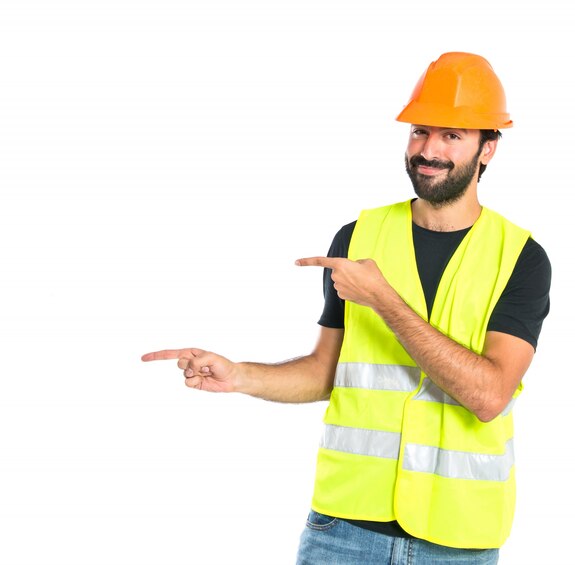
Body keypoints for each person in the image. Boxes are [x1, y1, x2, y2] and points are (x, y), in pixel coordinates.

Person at [142, 52, 551, 565]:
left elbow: (489, 395)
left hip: (457, 538)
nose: (428, 150)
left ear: (488, 148)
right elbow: (325, 372)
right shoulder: (359, 237)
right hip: (342, 529)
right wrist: (239, 375)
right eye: (420, 131)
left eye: (452, 135)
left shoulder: (521, 258)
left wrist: (384, 299)